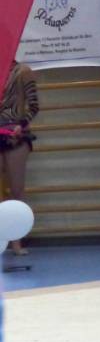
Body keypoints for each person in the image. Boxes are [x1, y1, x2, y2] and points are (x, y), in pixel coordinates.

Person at [0, 61, 39, 256]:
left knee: (17, 190)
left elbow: (34, 106)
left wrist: (21, 125)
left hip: (15, 136)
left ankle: (16, 242)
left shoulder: (22, 71)